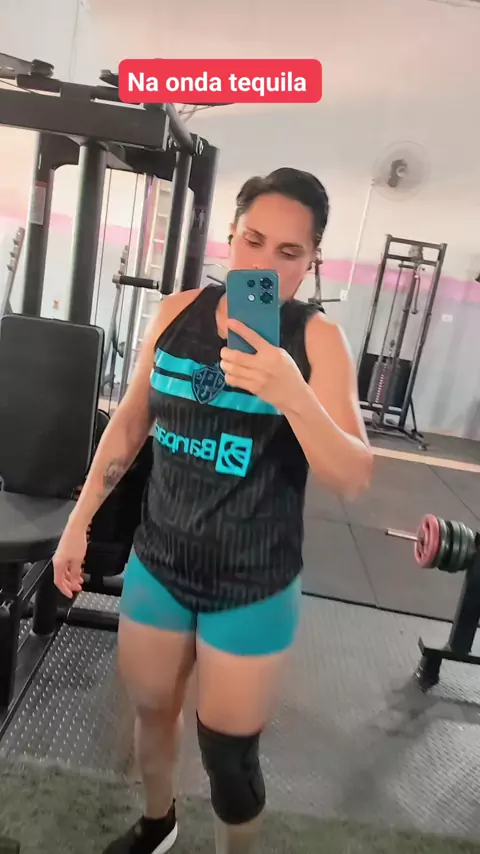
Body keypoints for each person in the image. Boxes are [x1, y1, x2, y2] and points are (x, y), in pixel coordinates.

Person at [53, 167, 373, 854]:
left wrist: (293, 394)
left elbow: (352, 475)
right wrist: (78, 522)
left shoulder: (318, 341)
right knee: (151, 712)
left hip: (251, 582)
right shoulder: (176, 314)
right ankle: (159, 824)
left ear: (312, 261)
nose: (264, 263)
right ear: (231, 236)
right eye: (253, 240)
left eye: (288, 252)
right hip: (159, 565)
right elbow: (129, 422)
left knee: (229, 759)